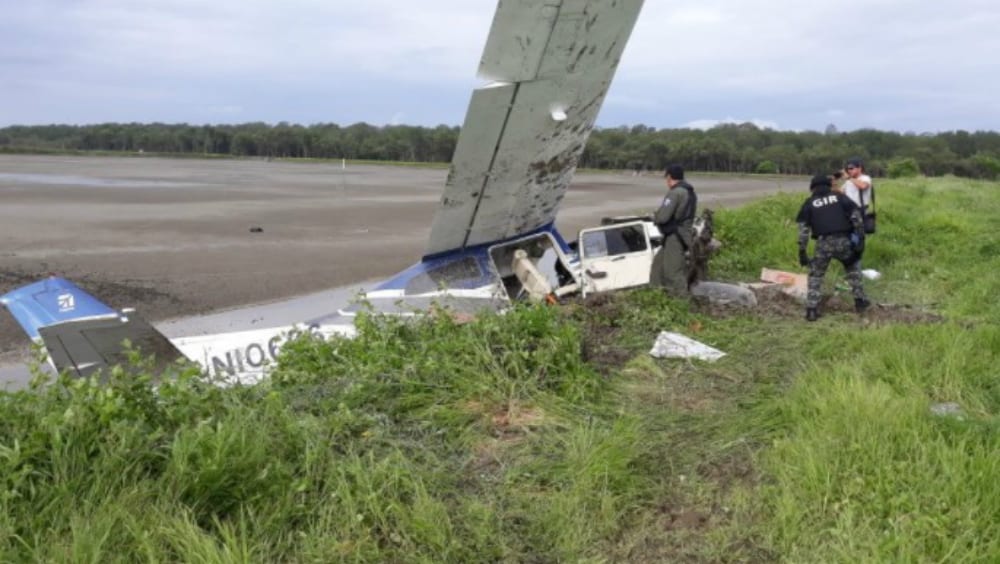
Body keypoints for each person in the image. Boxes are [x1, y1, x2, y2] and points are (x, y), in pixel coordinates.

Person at [796, 174, 870, 321]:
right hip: (844, 241)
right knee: (853, 269)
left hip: (823, 244)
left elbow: (803, 231)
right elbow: (857, 218)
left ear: (813, 187)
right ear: (829, 186)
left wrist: (802, 251)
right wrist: (861, 239)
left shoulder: (809, 203)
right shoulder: (840, 197)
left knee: (816, 275)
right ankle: (860, 302)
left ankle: (811, 310)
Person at [650, 164, 696, 296]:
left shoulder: (675, 193)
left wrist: (655, 217)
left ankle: (682, 303)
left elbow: (663, 217)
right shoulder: (688, 191)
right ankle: (657, 297)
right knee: (657, 268)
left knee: (673, 273)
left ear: (669, 177)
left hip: (675, 237)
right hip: (678, 236)